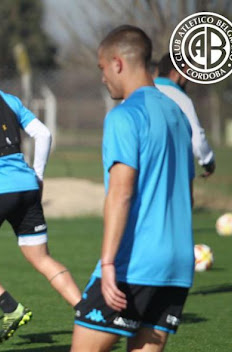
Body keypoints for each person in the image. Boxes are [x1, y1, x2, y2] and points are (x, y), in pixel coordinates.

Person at [71, 25, 195, 351]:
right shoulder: (178, 115)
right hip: (177, 267)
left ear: (118, 63)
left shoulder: (125, 116)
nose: (102, 78)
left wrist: (108, 263)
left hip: (134, 263)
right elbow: (188, 194)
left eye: (101, 69)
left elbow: (121, 192)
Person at [0, 52, 82, 343]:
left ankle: (12, 308)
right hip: (26, 186)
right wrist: (39, 175)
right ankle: (87, 313)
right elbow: (43, 134)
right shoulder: (10, 99)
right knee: (41, 257)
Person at [155, 52, 216, 177]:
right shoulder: (181, 99)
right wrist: (207, 161)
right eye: (186, 74)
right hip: (172, 175)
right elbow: (197, 140)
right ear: (174, 74)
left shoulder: (138, 93)